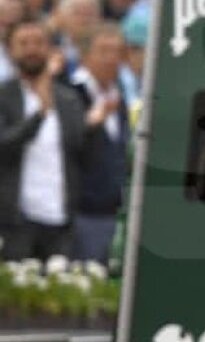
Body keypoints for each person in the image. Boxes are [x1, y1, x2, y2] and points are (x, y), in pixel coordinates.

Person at [0, 19, 102, 261]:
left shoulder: (68, 99)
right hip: (15, 220)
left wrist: (92, 127)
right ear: (10, 50)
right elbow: (3, 146)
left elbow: (81, 150)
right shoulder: (4, 96)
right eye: (23, 43)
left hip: (60, 219)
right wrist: (39, 116)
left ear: (50, 49)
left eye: (38, 43)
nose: (32, 49)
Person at [70, 23, 128, 263]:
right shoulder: (70, 93)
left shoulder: (120, 97)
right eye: (104, 51)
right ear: (84, 56)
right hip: (84, 212)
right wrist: (90, 124)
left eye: (117, 52)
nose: (112, 59)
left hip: (118, 210)